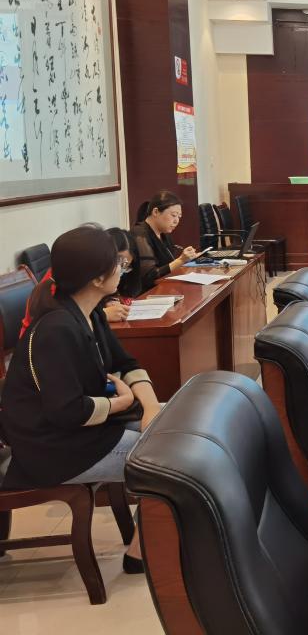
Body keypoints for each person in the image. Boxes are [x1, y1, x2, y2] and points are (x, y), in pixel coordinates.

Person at [0, 225, 162, 573]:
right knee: (169, 463)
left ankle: (151, 541)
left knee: (175, 430)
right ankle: (142, 552)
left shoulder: (91, 314)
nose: (123, 270)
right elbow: (66, 412)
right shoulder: (56, 329)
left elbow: (126, 364)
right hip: (54, 449)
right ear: (97, 278)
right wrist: (120, 404)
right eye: (119, 264)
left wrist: (150, 408)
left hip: (84, 433)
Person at [18, 227, 139, 337]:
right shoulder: (58, 307)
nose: (120, 270)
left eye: (125, 265)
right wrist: (104, 315)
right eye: (118, 262)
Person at [131, 190, 198, 291]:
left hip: (165, 288)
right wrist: (180, 260)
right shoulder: (140, 234)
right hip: (146, 294)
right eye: (173, 215)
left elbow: (169, 266)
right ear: (155, 212)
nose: (176, 221)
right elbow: (149, 277)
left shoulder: (164, 234)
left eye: (179, 217)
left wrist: (188, 258)